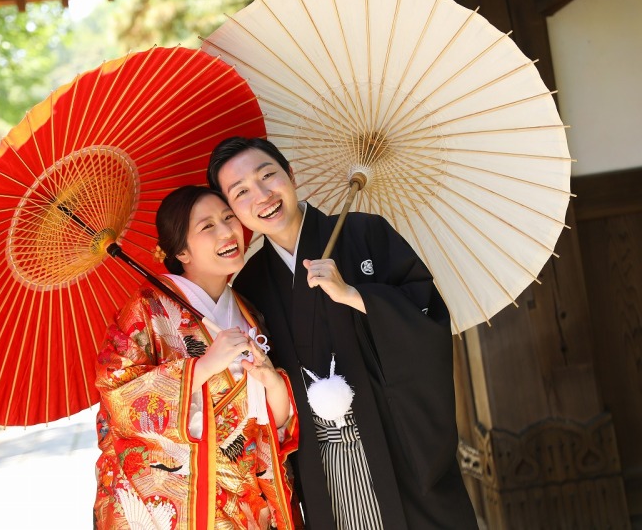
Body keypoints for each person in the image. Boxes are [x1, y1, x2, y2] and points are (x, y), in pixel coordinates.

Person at [207, 137, 478, 530]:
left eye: (268, 175)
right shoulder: (251, 284)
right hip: (323, 463)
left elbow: (428, 317)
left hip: (397, 445)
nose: (262, 195)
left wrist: (356, 295)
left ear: (291, 175)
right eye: (241, 192)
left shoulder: (365, 234)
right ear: (232, 211)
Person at [92, 185, 299, 530]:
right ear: (181, 252)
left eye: (229, 218)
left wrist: (273, 383)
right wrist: (202, 367)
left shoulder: (250, 312)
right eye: (208, 227)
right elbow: (117, 395)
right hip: (182, 502)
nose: (227, 231)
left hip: (248, 501)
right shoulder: (147, 309)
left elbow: (270, 424)